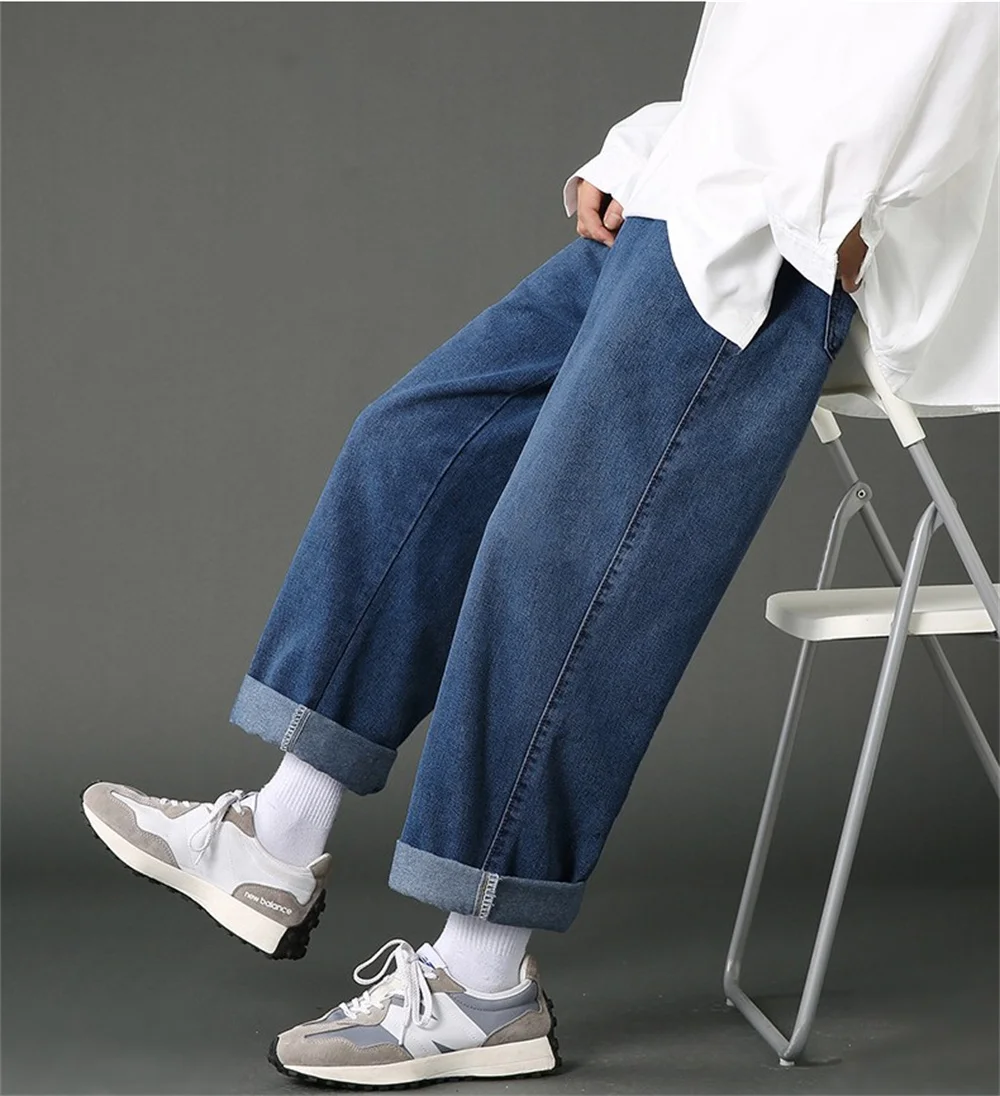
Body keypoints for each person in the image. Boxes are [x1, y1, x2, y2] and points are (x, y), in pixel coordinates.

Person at [80, 3, 998, 1088]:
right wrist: (646, 150)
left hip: (785, 232)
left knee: (556, 555)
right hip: (696, 196)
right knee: (416, 442)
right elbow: (774, 50)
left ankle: (483, 983)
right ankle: (277, 834)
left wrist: (821, 205)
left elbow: (941, 41)